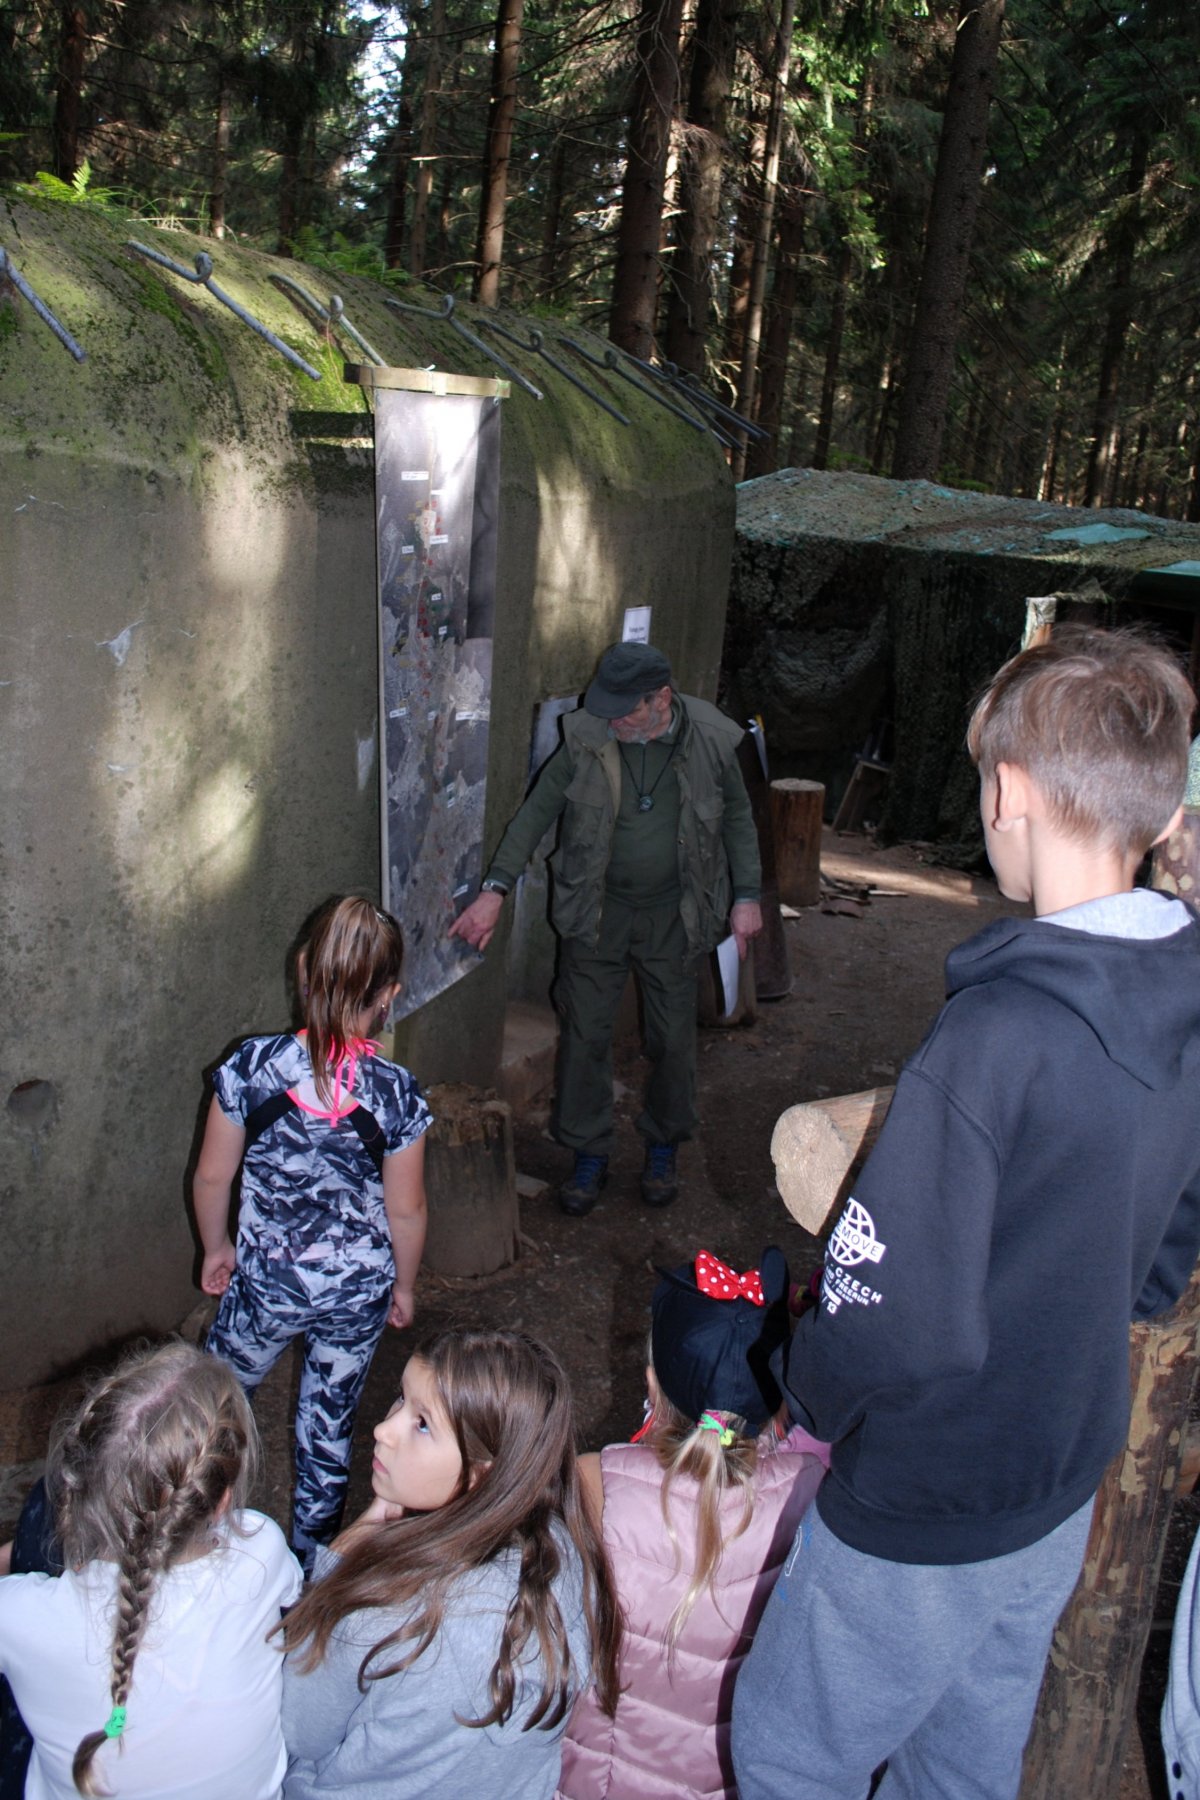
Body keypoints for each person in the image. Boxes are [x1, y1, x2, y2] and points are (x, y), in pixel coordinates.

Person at [731, 624, 1200, 1800]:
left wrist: (805, 1388)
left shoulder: (992, 1039)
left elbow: (894, 1314)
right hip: (1059, 1473)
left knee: (785, 1755)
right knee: (964, 1762)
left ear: (1008, 794)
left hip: (925, 1502)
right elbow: (1169, 1238)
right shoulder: (1184, 996)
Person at [449, 642, 763, 1216]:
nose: (613, 720)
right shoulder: (588, 736)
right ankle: (588, 1150)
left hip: (674, 915)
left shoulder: (710, 741)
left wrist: (746, 897)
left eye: (626, 710)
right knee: (585, 1034)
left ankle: (663, 1144)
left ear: (661, 699)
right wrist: (494, 890)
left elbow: (739, 820)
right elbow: (535, 813)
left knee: (672, 1039)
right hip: (596, 912)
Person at [278, 1327, 622, 1800]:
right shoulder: (564, 1555)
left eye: (422, 1424)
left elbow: (297, 1729)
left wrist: (343, 1562)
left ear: (482, 1474)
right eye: (401, 1399)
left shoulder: (385, 1611)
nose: (383, 1430)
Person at [194, 894, 431, 1569]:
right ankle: (309, 1569)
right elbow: (407, 1211)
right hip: (356, 1294)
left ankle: (194, 1533)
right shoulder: (396, 1094)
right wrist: (404, 1285)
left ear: (302, 971)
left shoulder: (251, 1069)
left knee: (213, 1402)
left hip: (266, 1283)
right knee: (327, 1429)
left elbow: (212, 1177)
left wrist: (217, 1247)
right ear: (389, 996)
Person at [557, 1247, 827, 1800]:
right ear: (781, 1403)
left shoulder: (592, 1485)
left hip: (595, 1780)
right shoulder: (813, 1494)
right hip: (736, 1782)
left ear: (652, 1386)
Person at [0, 1340, 301, 1800]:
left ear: (79, 1485)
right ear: (222, 1501)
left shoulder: (18, 1616)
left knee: (38, 1514)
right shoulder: (262, 1549)